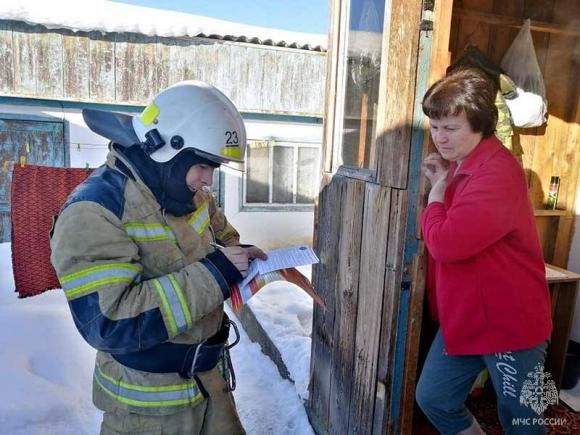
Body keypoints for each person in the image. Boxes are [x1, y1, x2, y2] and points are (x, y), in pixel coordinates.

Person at [50, 81, 267, 435]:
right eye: (204, 166)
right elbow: (110, 321)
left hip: (211, 385)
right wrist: (215, 275)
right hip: (148, 410)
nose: (208, 180)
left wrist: (240, 257)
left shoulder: (187, 193)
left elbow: (222, 240)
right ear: (169, 151)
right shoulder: (95, 210)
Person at [415, 68, 552, 435]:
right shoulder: (464, 164)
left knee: (522, 422)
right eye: (435, 126)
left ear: (480, 125)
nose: (440, 138)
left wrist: (436, 193)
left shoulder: (497, 173)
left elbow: (445, 243)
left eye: (451, 128)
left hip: (510, 322)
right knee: (434, 397)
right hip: (469, 317)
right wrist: (444, 179)